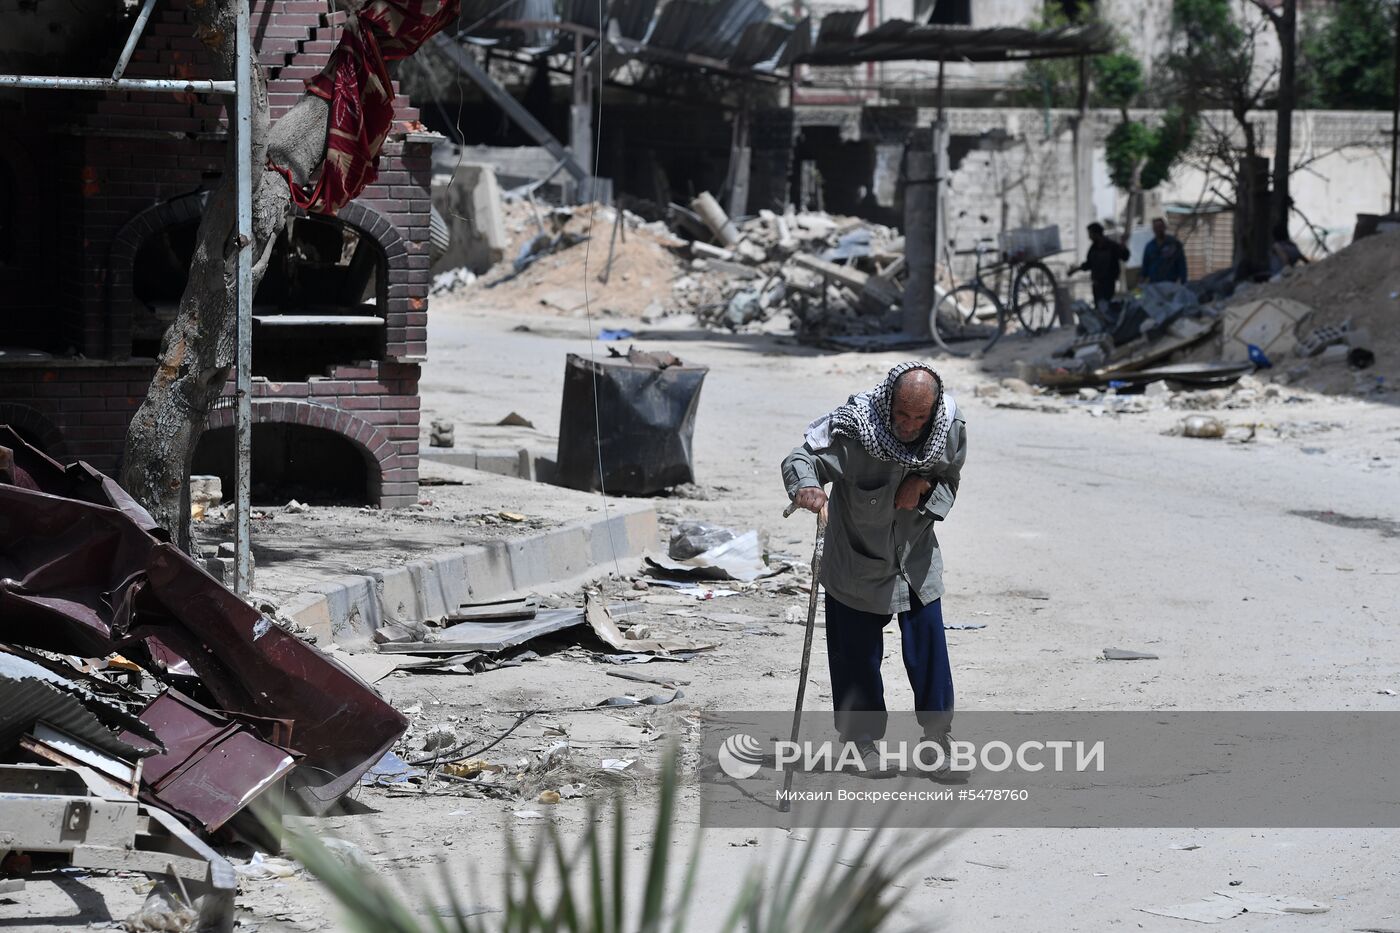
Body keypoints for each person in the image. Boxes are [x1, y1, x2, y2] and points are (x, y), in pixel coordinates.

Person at [780, 362, 967, 776]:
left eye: (920, 417)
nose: (909, 425)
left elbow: (950, 479)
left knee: (929, 653)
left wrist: (924, 486)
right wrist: (807, 486)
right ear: (888, 403)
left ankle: (938, 740)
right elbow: (801, 458)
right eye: (902, 414)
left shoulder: (948, 429)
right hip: (856, 561)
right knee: (857, 659)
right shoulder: (854, 432)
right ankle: (860, 744)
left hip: (914, 560)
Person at [1073, 222, 1131, 304]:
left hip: (1108, 283)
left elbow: (1125, 257)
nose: (1089, 236)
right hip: (1097, 284)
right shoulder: (1093, 248)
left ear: (1096, 233)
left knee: (1106, 306)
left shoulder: (1111, 246)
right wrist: (1076, 269)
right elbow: (1089, 264)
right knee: (1099, 306)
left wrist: (1123, 245)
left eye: (1090, 233)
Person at [1141, 217, 1188, 284]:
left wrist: (1183, 282)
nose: (1158, 230)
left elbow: (1182, 265)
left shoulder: (1174, 244)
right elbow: (1145, 266)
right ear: (1153, 229)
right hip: (1154, 284)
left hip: (1170, 283)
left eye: (1160, 227)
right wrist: (1141, 281)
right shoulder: (1149, 246)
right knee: (1138, 293)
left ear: (1164, 227)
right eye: (1156, 227)